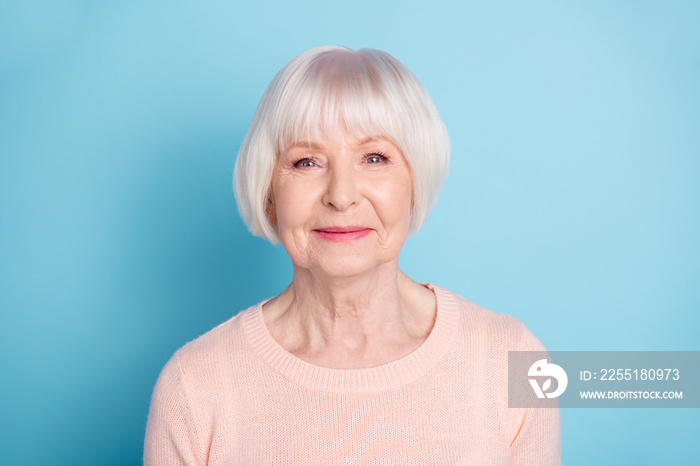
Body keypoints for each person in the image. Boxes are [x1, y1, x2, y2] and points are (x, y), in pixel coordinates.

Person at [144, 46, 560, 465]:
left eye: (374, 158)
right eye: (306, 162)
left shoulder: (515, 361)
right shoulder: (193, 386)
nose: (341, 196)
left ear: (415, 184)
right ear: (269, 193)